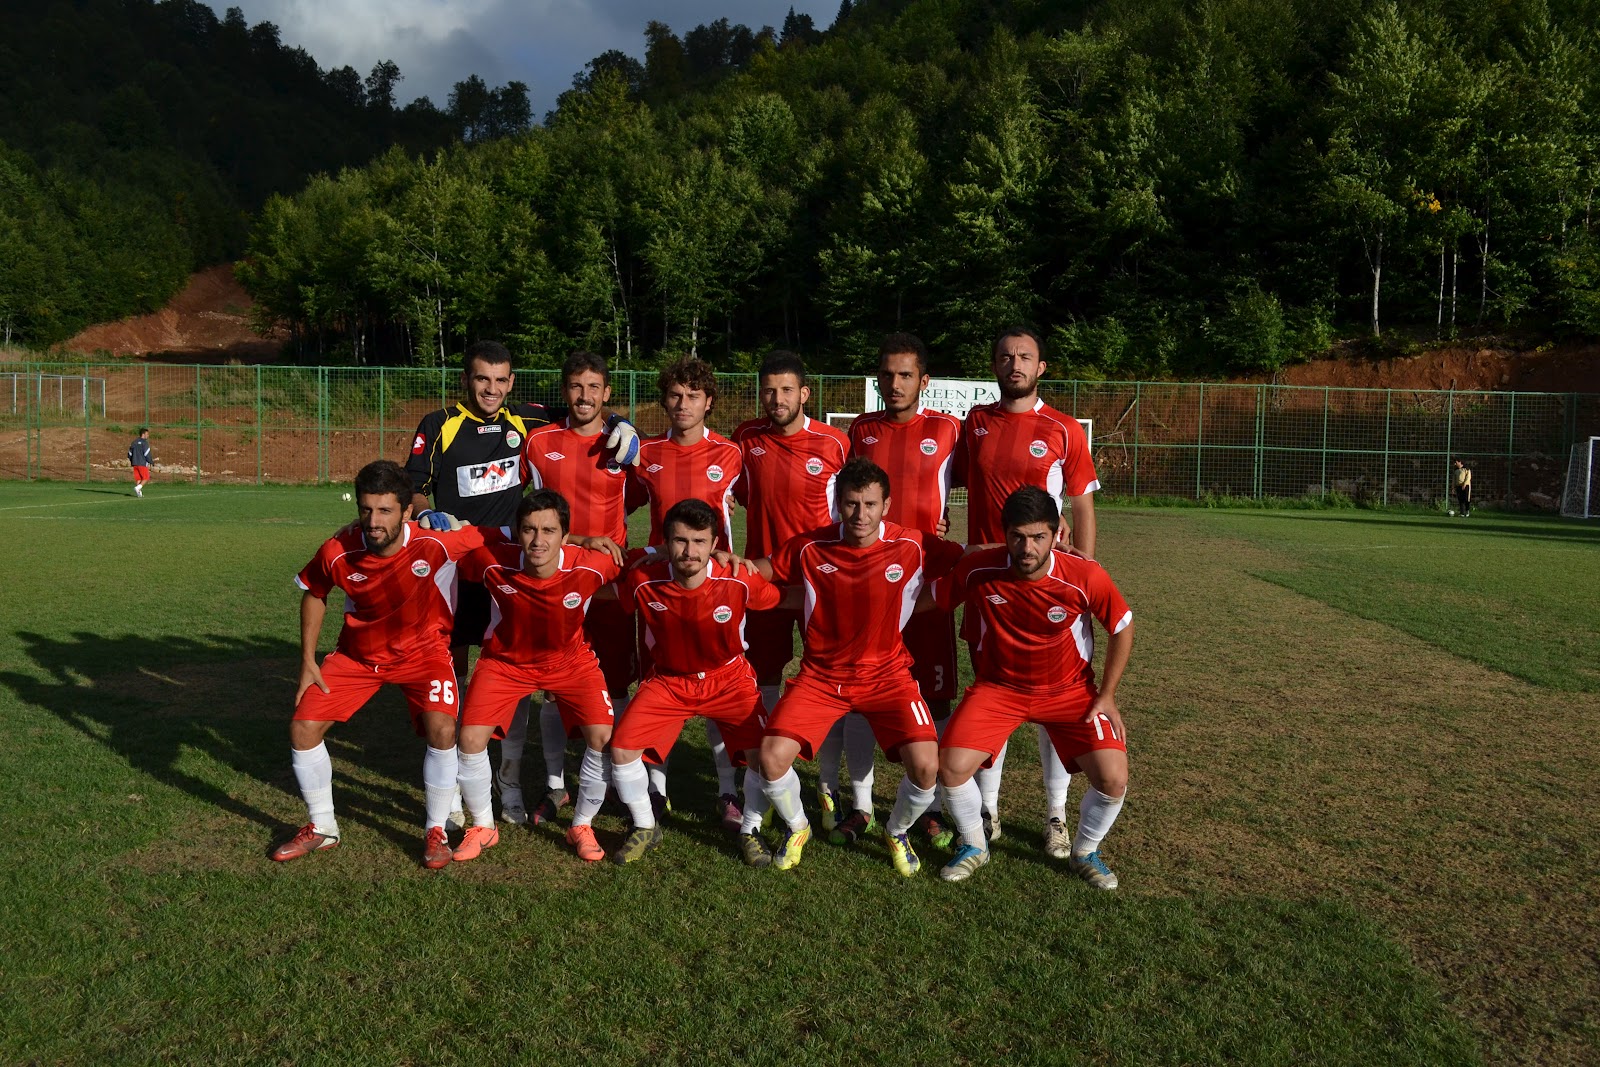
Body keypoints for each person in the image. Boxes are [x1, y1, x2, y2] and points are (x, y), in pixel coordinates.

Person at [405, 340, 638, 828]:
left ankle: (508, 781)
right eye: (481, 378)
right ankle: (452, 791)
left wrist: (621, 421)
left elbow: (585, 408)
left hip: (508, 567)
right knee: (451, 677)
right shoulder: (438, 423)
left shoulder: (528, 420)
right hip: (458, 562)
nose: (491, 389)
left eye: (500, 380)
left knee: (514, 675)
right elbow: (414, 484)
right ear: (466, 379)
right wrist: (426, 512)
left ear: (511, 383)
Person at [747, 458, 965, 876]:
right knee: (770, 759)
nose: (860, 514)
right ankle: (798, 826)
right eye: (851, 503)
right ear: (838, 502)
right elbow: (765, 569)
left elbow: (965, 559)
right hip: (821, 677)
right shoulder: (810, 546)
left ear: (886, 505)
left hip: (888, 677)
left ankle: (896, 830)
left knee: (926, 767)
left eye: (870, 504)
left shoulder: (913, 544)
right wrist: (715, 562)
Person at [273, 460, 488, 868]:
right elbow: (315, 592)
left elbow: (503, 536)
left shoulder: (436, 542)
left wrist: (580, 539)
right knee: (302, 728)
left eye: (385, 511)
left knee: (443, 729)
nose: (373, 522)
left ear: (407, 512)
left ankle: (436, 830)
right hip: (359, 657)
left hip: (424, 654)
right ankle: (323, 826)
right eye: (366, 510)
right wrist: (307, 660)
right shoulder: (339, 549)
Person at [932, 486, 1133, 889]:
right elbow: (931, 599)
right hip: (998, 690)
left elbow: (1122, 626)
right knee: (950, 767)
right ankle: (974, 844)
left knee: (1113, 778)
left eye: (1039, 537)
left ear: (1057, 534)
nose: (1027, 548)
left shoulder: (1084, 574)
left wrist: (1107, 694)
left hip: (1069, 692)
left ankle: (1084, 852)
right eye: (1018, 537)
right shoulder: (980, 569)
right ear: (1004, 534)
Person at [955, 326, 1101, 855]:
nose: (1014, 364)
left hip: (1049, 586)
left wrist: (1083, 573)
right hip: (991, 587)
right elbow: (942, 480)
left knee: (1055, 700)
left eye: (1024, 357)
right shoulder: (975, 423)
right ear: (994, 365)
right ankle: (988, 808)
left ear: (1041, 367)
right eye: (1005, 356)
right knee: (991, 692)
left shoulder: (1064, 428)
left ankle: (1056, 814)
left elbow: (1082, 505)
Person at [496, 351, 637, 829]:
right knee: (555, 688)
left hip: (608, 585)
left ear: (607, 393)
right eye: (576, 386)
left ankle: (614, 778)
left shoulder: (624, 446)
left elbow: (654, 492)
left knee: (615, 682)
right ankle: (556, 784)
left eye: (594, 387)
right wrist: (577, 539)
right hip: (553, 586)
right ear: (564, 392)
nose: (585, 396)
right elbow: (515, 504)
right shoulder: (538, 443)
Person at [608, 498, 784, 866]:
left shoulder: (738, 577)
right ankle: (645, 825)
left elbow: (773, 598)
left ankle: (750, 829)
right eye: (680, 541)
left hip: (728, 678)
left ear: (715, 543)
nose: (689, 552)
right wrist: (651, 552)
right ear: (666, 542)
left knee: (762, 758)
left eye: (700, 542)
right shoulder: (644, 579)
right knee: (621, 751)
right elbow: (614, 562)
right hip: (669, 681)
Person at [453, 489, 623, 863]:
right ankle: (483, 826)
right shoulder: (492, 560)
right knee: (469, 740)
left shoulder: (592, 564)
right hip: (505, 663)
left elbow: (644, 564)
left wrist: (719, 558)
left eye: (548, 531)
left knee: (603, 738)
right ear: (518, 531)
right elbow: (445, 546)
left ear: (566, 536)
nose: (538, 540)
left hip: (570, 662)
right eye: (529, 529)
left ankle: (582, 825)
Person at [845, 332, 963, 849]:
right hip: (869, 580)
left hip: (928, 579)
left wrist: (1054, 516)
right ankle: (861, 806)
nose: (895, 384)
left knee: (935, 693)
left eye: (906, 375)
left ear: (924, 380)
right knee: (860, 690)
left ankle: (930, 807)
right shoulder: (860, 430)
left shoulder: (950, 429)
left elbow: (996, 478)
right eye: (887, 375)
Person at [731, 351, 850, 826]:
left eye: (786, 390)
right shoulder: (746, 438)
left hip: (822, 583)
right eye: (769, 390)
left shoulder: (835, 442)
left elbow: (857, 505)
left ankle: (828, 784)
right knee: (763, 678)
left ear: (804, 393)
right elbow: (734, 490)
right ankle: (766, 779)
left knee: (831, 681)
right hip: (765, 581)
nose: (776, 399)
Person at [626, 356, 746, 825]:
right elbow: (616, 502)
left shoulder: (732, 454)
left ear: (708, 401)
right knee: (658, 683)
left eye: (693, 396)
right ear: (664, 400)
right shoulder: (647, 454)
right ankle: (656, 791)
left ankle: (728, 790)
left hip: (719, 591)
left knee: (721, 687)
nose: (683, 404)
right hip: (663, 592)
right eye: (675, 395)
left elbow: (769, 498)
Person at [128, 428, 154, 497]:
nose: (148, 435)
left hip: (135, 463)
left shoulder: (134, 442)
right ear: (143, 434)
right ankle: (138, 488)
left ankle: (139, 493)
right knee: (146, 478)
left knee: (138, 478)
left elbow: (129, 454)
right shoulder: (145, 443)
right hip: (142, 463)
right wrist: (150, 461)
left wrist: (132, 460)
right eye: (147, 434)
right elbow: (147, 454)